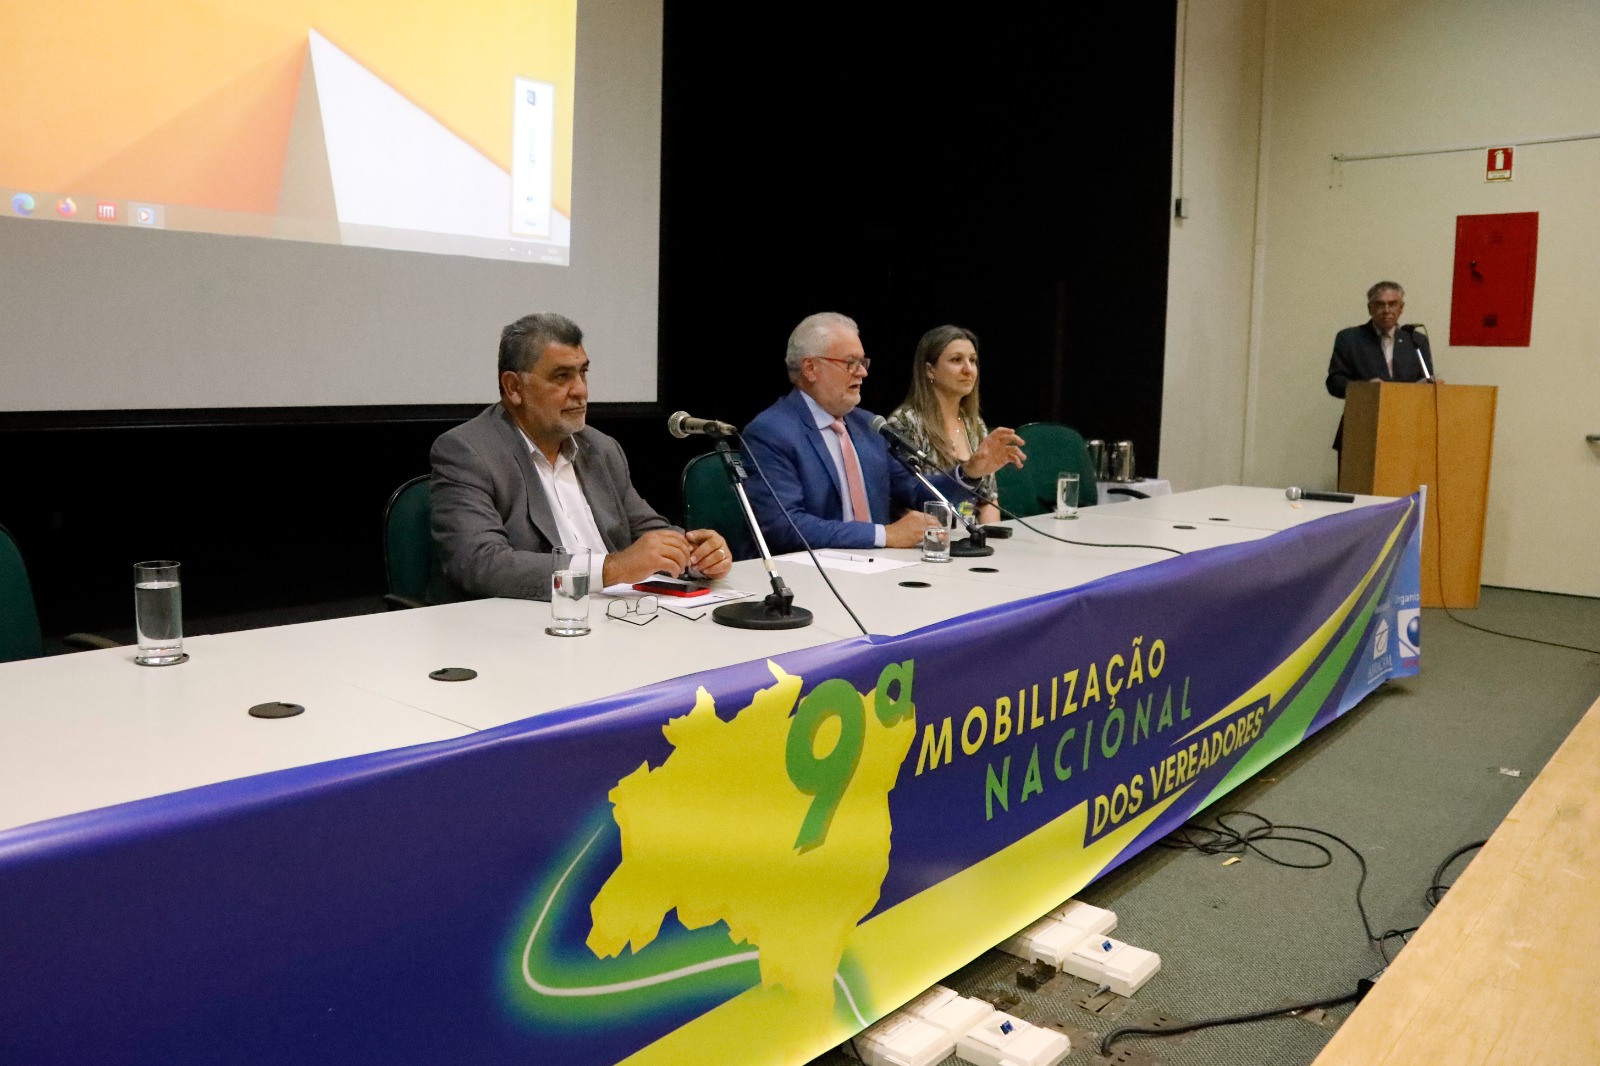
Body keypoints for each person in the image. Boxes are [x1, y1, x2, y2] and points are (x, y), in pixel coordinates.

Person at [430, 312, 732, 601]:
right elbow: (480, 563)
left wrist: (695, 554)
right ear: (514, 388)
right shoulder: (468, 451)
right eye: (562, 377)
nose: (581, 391)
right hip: (531, 621)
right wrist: (612, 569)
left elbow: (648, 530)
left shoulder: (600, 448)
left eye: (583, 373)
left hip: (618, 614)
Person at [741, 312, 1024, 555]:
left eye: (863, 363)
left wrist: (970, 471)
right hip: (813, 574)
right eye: (850, 363)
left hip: (880, 567)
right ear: (810, 368)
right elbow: (784, 526)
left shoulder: (868, 426)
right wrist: (885, 535)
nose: (862, 373)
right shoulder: (771, 431)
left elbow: (914, 490)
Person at [890, 325, 1012, 526]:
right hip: (928, 538)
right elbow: (907, 500)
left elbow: (988, 500)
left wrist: (988, 536)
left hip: (971, 537)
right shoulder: (906, 423)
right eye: (956, 360)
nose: (968, 369)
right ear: (930, 370)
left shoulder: (974, 424)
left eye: (973, 360)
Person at [1326, 281, 1436, 451]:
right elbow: (1334, 382)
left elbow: (1426, 380)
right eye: (1380, 304)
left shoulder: (1416, 340)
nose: (1386, 310)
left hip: (1406, 429)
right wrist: (1365, 388)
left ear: (1401, 308)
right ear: (1370, 308)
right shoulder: (1350, 339)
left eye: (1392, 304)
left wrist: (1428, 385)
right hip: (1362, 427)